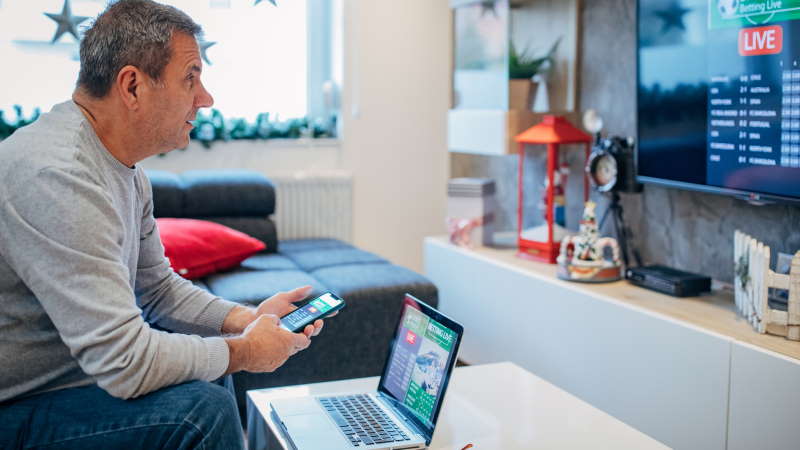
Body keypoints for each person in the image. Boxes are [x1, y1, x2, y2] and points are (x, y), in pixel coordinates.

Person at [0, 1, 327, 448]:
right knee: (201, 412)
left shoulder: (123, 167)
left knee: (211, 375)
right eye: (191, 77)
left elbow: (156, 290)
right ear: (132, 86)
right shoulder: (57, 176)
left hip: (68, 382)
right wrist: (246, 349)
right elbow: (124, 362)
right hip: (16, 406)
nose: (206, 98)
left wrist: (246, 319)